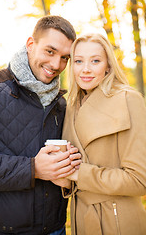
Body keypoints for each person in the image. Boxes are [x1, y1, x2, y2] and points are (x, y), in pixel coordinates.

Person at [0, 15, 82, 235]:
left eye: (65, 58)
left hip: (55, 229)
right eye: (50, 51)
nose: (57, 65)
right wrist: (33, 168)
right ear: (31, 44)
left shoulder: (60, 103)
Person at [62, 33, 146, 235]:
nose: (86, 69)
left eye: (95, 61)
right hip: (80, 218)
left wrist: (77, 174)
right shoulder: (70, 106)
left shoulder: (128, 100)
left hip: (117, 220)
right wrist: (65, 179)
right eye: (79, 61)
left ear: (108, 65)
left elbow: (140, 180)